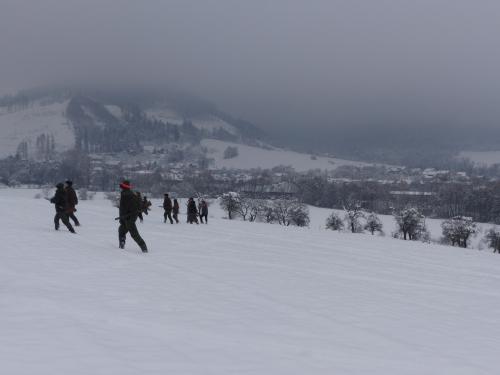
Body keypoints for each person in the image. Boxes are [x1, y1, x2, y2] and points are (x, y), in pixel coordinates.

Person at [118, 180, 148, 253]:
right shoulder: (133, 193)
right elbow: (139, 205)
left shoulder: (125, 194)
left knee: (134, 233)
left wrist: (122, 217)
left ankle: (144, 247)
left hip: (128, 217)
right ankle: (122, 242)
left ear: (123, 187)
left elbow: (122, 208)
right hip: (131, 216)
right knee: (121, 229)